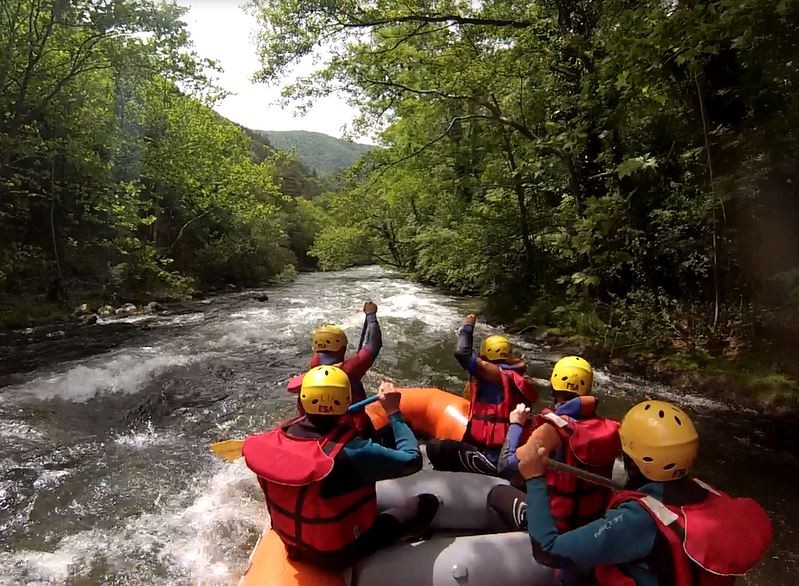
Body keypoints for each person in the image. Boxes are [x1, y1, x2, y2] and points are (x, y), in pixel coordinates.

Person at [517, 400, 773, 586]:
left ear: (631, 461)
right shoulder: (709, 494)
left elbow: (548, 551)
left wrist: (535, 478)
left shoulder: (639, 519)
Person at [243, 366, 440, 569]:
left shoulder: (278, 438)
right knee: (427, 503)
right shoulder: (353, 451)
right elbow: (412, 460)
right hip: (337, 554)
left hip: (291, 542)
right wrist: (393, 411)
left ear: (302, 399)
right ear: (347, 401)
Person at [487, 356, 620, 534]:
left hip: (556, 528)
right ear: (587, 389)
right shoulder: (611, 429)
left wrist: (516, 424)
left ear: (553, 387)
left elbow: (505, 465)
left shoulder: (552, 430)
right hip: (590, 527)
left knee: (497, 494)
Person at [426, 314, 539, 475]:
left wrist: (467, 326)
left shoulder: (492, 374)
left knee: (435, 448)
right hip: (510, 453)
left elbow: (462, 353)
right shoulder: (519, 377)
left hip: (490, 458)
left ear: (485, 355)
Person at [289, 301, 382, 430]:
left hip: (314, 426)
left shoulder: (315, 364)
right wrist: (371, 316)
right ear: (343, 348)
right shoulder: (351, 368)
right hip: (349, 428)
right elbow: (374, 345)